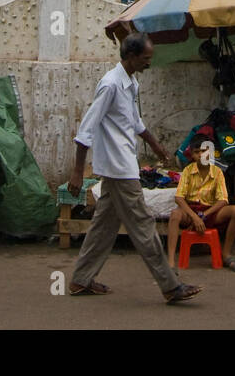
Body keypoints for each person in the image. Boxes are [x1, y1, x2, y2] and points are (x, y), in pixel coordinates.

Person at [66, 32, 202, 304]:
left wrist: (156, 146)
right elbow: (86, 129)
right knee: (143, 225)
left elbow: (135, 122)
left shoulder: (130, 82)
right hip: (118, 168)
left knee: (103, 228)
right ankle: (170, 285)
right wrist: (78, 171)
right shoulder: (110, 85)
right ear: (130, 57)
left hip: (122, 164)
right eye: (146, 58)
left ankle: (81, 280)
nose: (149, 62)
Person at [166, 140, 235, 272]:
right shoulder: (187, 170)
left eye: (204, 151)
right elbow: (179, 198)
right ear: (192, 155)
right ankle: (170, 262)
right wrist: (195, 217)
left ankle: (226, 254)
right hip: (191, 211)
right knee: (175, 215)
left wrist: (204, 215)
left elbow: (223, 200)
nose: (201, 155)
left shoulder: (217, 172)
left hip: (210, 211)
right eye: (197, 152)